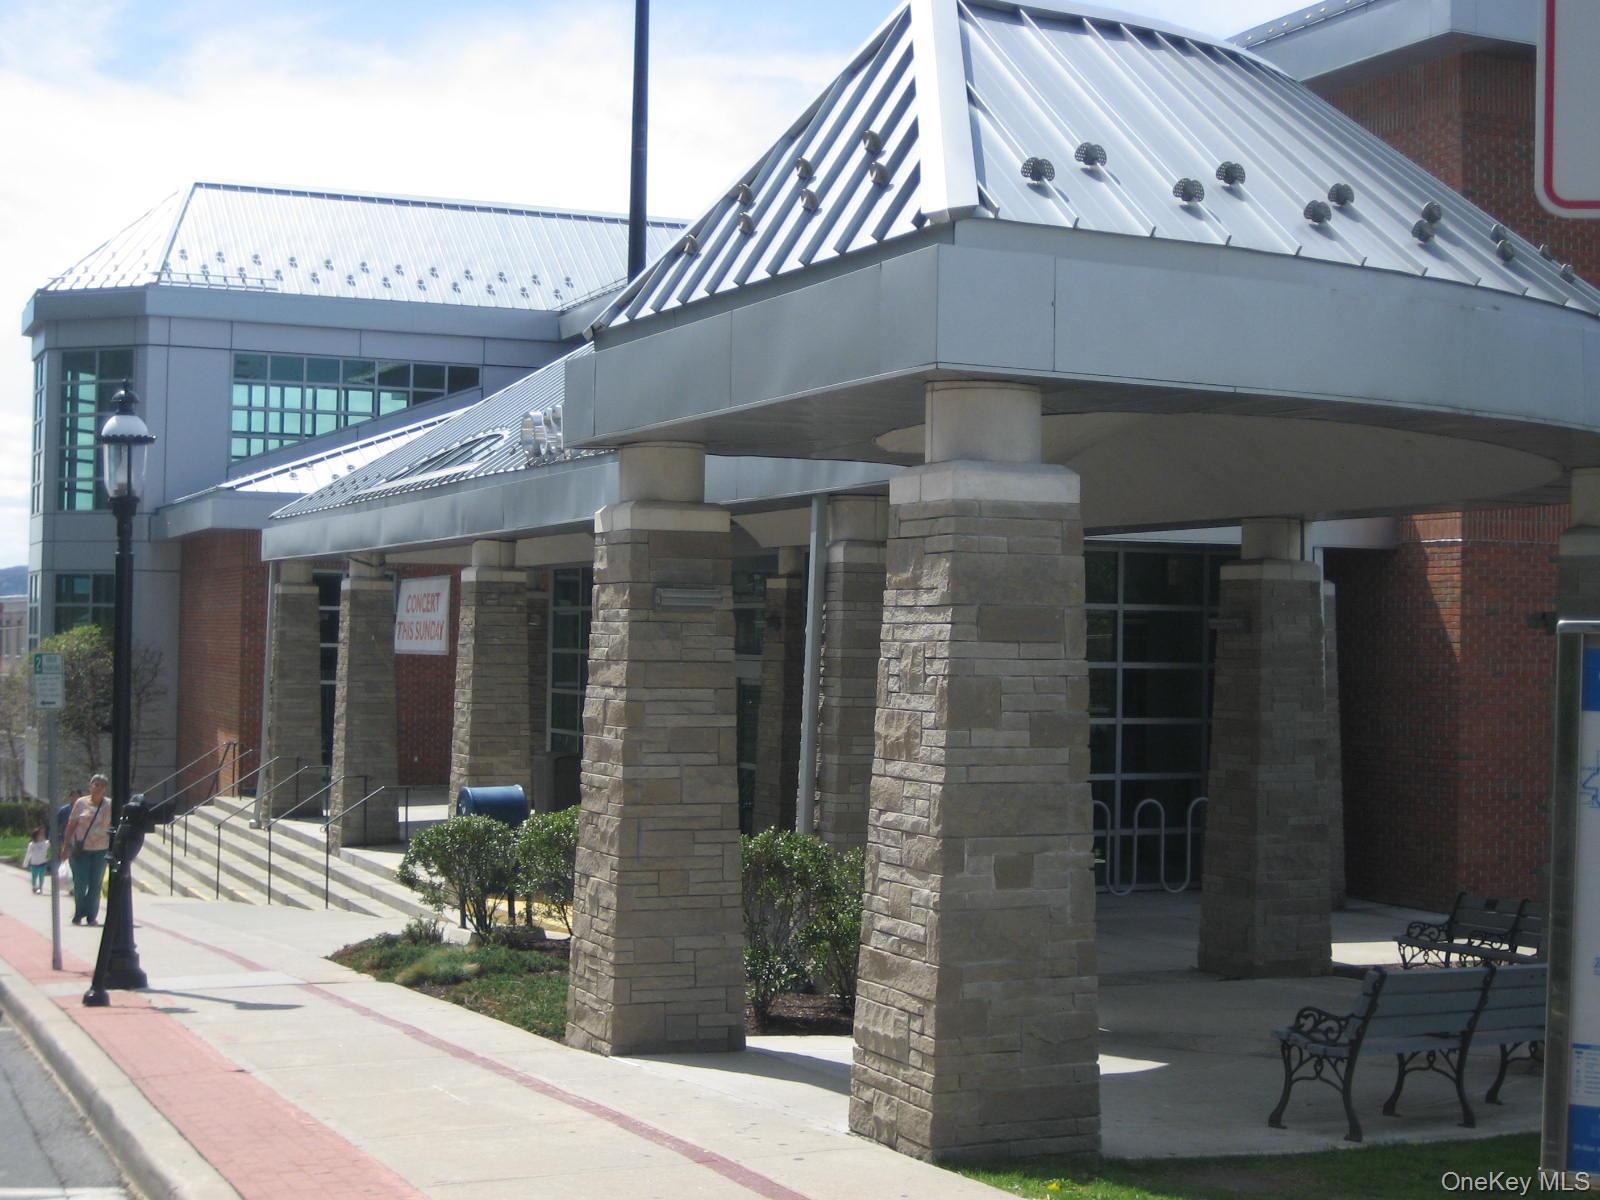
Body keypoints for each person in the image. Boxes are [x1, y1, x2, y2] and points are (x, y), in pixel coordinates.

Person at [62, 775, 112, 926]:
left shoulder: (109, 805)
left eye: (102, 785)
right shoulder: (81, 803)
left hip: (100, 850)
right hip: (80, 850)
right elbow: (71, 825)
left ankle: (91, 915)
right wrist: (65, 846)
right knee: (80, 883)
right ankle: (79, 913)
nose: (98, 788)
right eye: (96, 784)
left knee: (95, 884)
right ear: (90, 786)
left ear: (105, 788)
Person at [22, 826, 49, 894]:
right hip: (34, 864)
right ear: (35, 836)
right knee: (34, 876)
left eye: (43, 834)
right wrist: (25, 863)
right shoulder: (32, 844)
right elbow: (28, 854)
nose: (42, 836)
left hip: (43, 863)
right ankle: (34, 886)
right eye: (40, 834)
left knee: (41, 877)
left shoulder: (46, 843)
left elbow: (51, 846)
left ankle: (40, 888)